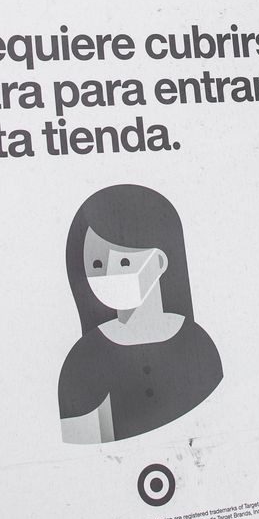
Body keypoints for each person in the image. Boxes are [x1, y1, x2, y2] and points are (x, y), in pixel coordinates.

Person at [59, 183, 224, 442]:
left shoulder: (198, 344)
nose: (109, 274)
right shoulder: (84, 359)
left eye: (124, 261)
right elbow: (83, 446)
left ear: (159, 261)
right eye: (97, 264)